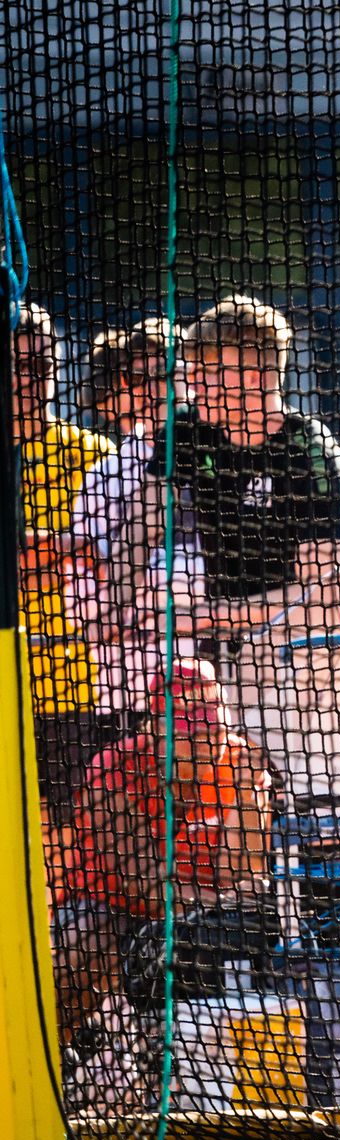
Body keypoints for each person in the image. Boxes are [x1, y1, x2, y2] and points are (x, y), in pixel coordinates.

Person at [52, 660, 277, 1066]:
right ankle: (49, 1049)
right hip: (115, 913)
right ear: (156, 730)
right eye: (193, 733)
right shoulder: (114, 769)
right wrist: (210, 895)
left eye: (215, 729)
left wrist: (246, 791)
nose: (211, 744)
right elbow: (145, 888)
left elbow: (243, 874)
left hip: (205, 920)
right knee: (86, 939)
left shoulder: (241, 765)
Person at [108, 295, 340, 646]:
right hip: (221, 648)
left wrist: (206, 617)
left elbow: (319, 592)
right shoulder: (188, 433)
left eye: (206, 372)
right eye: (191, 372)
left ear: (252, 377)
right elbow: (141, 531)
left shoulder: (309, 452)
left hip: (296, 648)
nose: (192, 384)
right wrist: (112, 609)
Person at [12, 302, 116, 843]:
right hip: (10, 684)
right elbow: (82, 554)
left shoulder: (94, 454)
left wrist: (33, 554)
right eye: (19, 366)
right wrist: (66, 552)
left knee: (79, 842)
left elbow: (111, 557)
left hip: (79, 687)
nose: (33, 380)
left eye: (43, 366)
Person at [70, 318, 192, 737]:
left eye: (169, 373)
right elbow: (82, 582)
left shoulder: (225, 454)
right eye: (142, 376)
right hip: (127, 691)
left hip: (209, 684)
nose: (156, 387)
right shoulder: (106, 475)